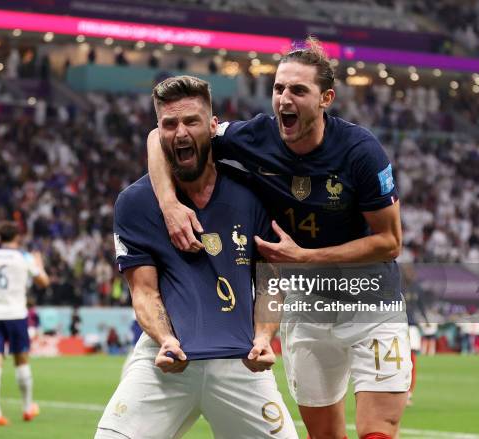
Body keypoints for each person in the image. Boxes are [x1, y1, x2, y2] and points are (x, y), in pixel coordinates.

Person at [147, 38, 412, 439]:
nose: (284, 99)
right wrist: (168, 203)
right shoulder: (254, 136)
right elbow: (158, 138)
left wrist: (304, 258)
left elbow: (390, 242)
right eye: (278, 89)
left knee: (378, 431)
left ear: (326, 98)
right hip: (307, 306)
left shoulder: (361, 152)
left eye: (298, 90)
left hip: (370, 299)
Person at [95, 75, 297, 439]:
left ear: (213, 126)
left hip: (242, 363)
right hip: (166, 360)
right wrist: (165, 338)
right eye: (170, 124)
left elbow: (271, 280)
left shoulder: (252, 192)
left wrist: (265, 336)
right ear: (159, 132)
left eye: (191, 121)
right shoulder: (135, 203)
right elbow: (143, 291)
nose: (181, 132)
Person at [0, 221, 50, 426]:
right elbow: (44, 282)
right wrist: (39, 265)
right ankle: (28, 408)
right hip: (16, 314)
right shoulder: (24, 257)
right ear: (18, 237)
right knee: (21, 360)